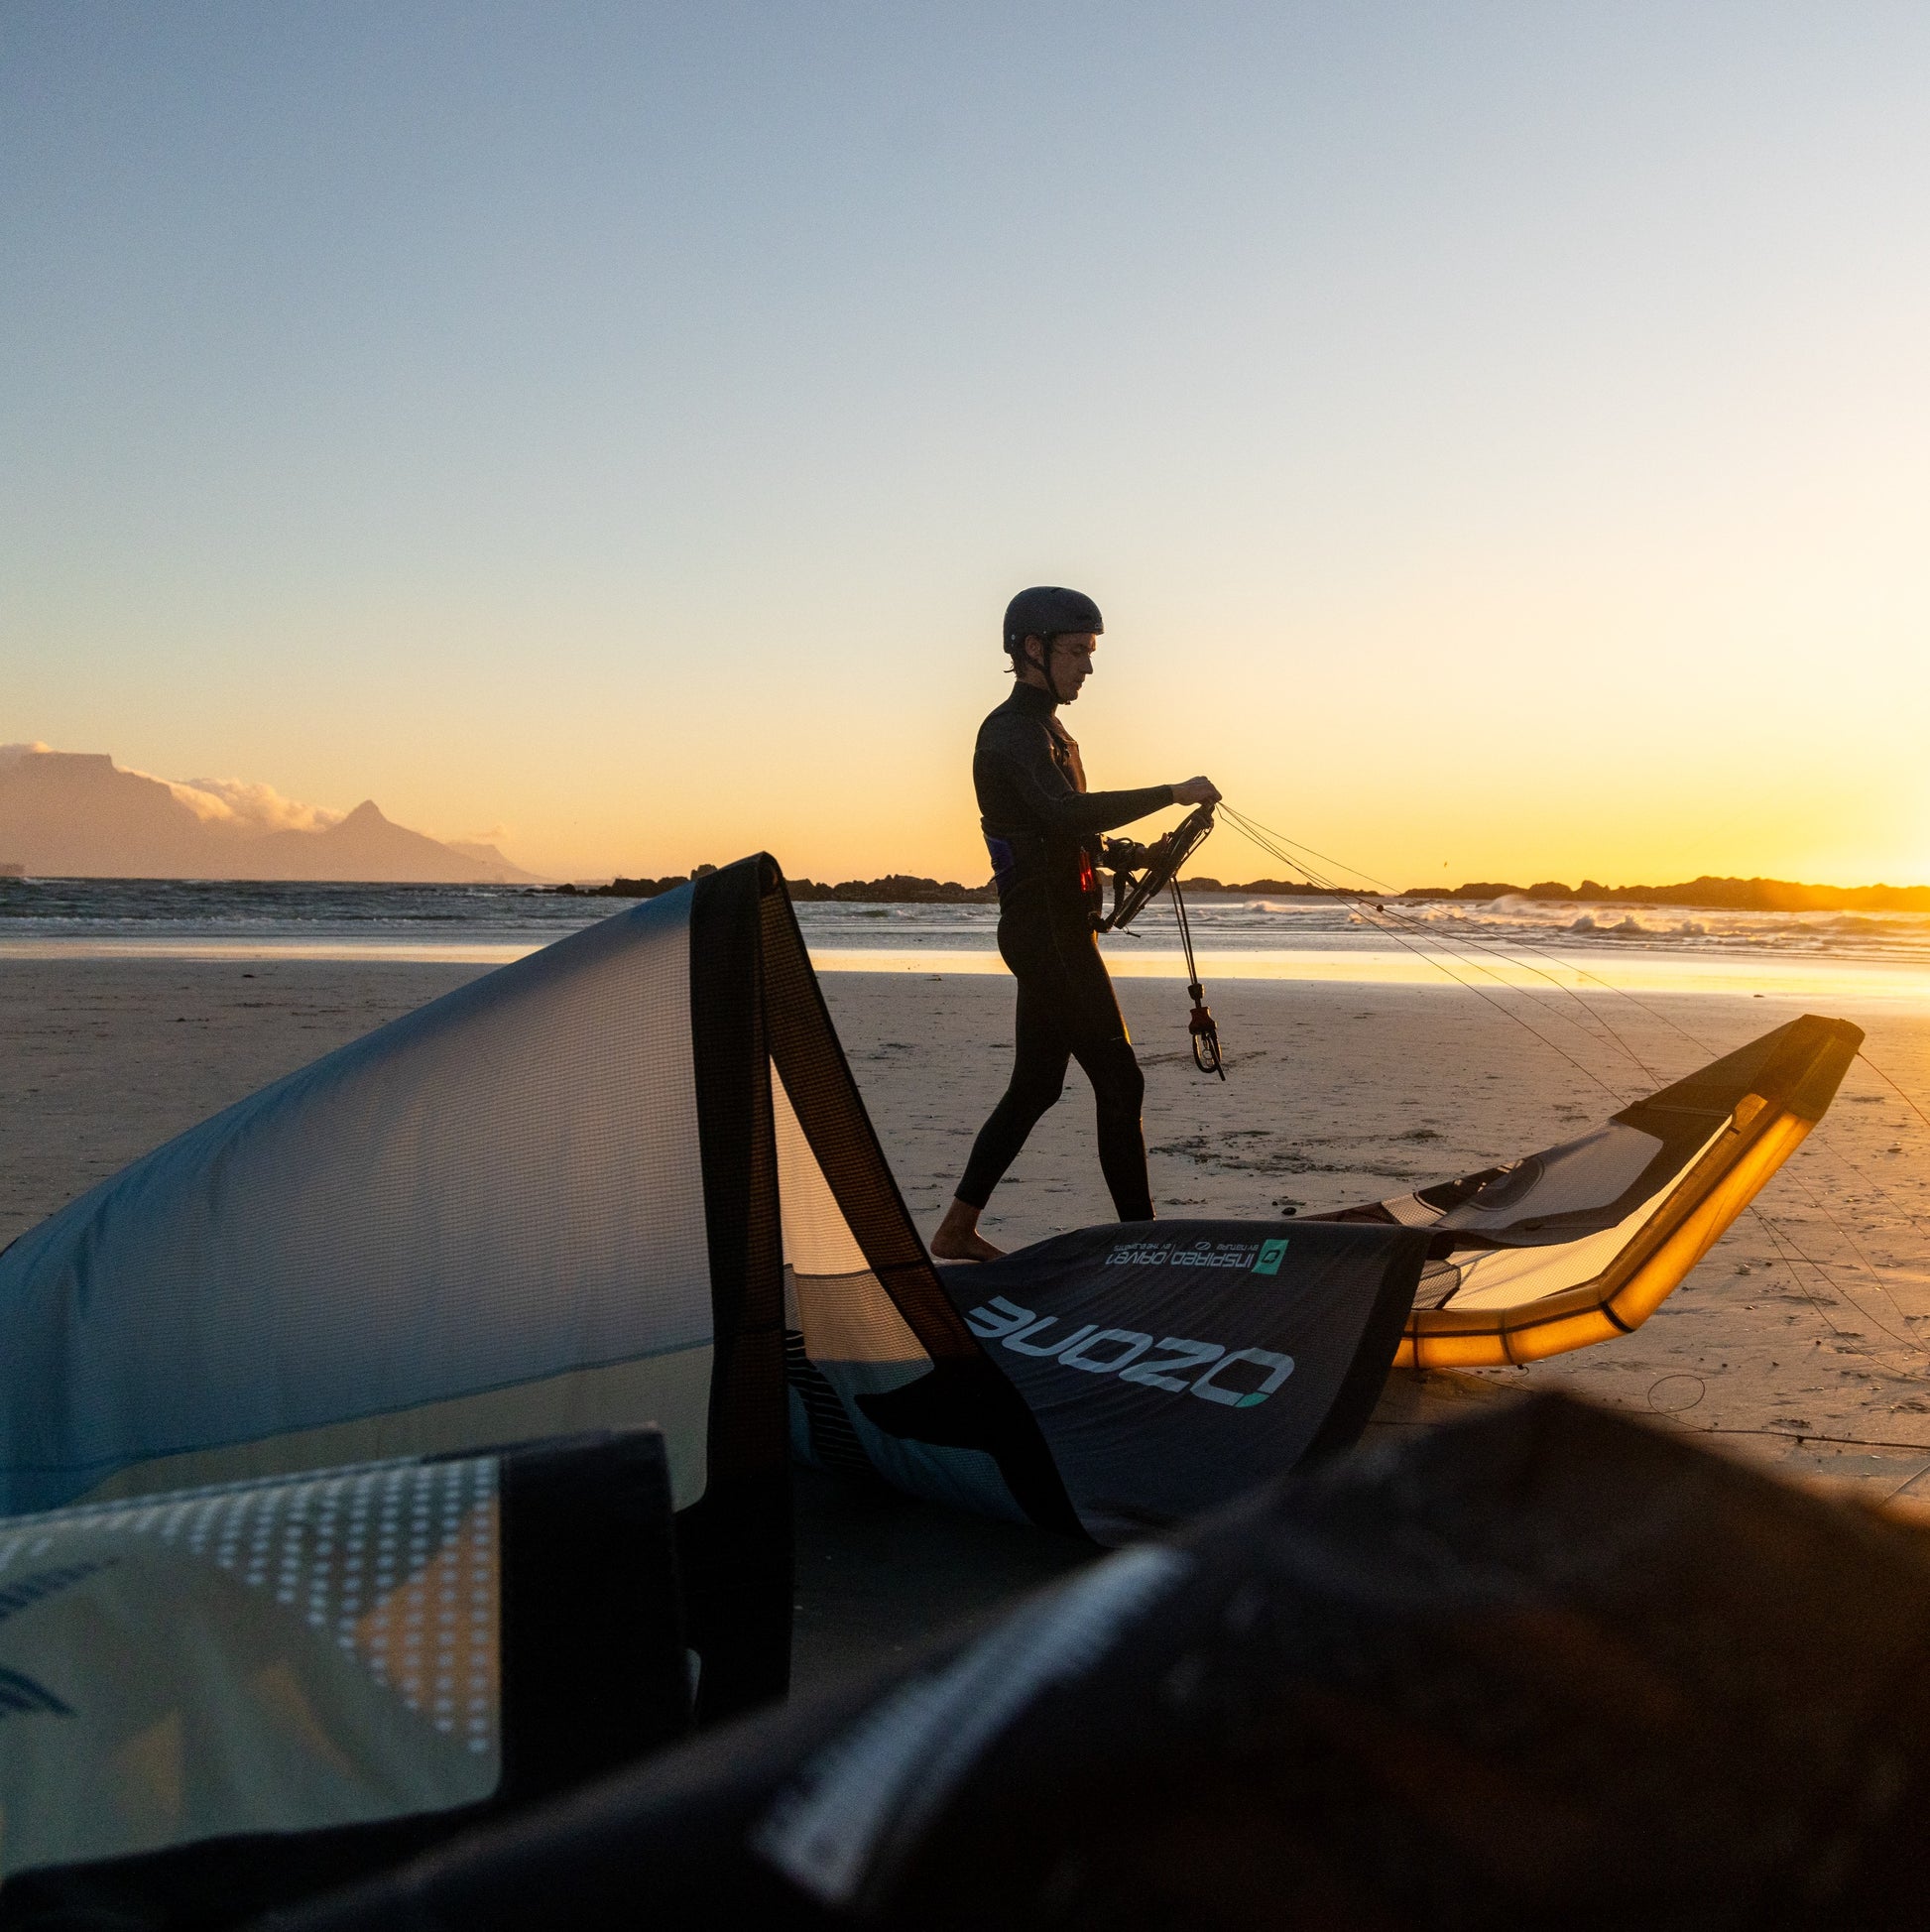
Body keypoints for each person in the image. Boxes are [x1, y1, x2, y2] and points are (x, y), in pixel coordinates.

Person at [930, 586, 1219, 1262]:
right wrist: (1170, 792)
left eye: (1091, 652)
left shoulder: (1053, 734)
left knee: (1036, 1086)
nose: (1088, 666)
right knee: (1121, 1081)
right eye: (1078, 651)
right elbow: (1062, 813)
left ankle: (956, 1230)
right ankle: (1142, 1245)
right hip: (1045, 933)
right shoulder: (1010, 732)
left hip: (1058, 931)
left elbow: (1071, 832)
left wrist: (1132, 854)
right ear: (1033, 649)